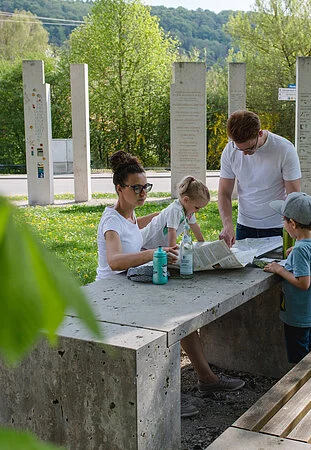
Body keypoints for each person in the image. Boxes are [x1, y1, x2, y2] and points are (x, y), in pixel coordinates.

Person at [96, 151, 244, 418]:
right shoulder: (111, 220)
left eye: (145, 187)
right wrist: (152, 254)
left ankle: (206, 379)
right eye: (136, 188)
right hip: (114, 292)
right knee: (166, 324)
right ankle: (166, 399)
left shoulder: (128, 215)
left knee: (183, 315)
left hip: (132, 282)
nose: (142, 192)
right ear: (120, 189)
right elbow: (115, 261)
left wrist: (153, 218)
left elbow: (131, 230)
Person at [263, 192, 311, 363]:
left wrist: (279, 269)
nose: (283, 224)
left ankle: (304, 389)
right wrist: (298, 252)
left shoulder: (302, 248)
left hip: (298, 316)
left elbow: (303, 283)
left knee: (299, 363)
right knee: (308, 356)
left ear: (292, 223)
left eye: (284, 220)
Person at [218, 110, 301, 247]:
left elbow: (294, 196)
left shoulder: (284, 149)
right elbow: (224, 193)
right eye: (240, 149)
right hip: (244, 226)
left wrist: (297, 233)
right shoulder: (230, 151)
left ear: (260, 133)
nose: (245, 154)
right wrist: (227, 225)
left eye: (250, 148)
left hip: (278, 227)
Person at [141, 176, 208, 249]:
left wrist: (203, 244)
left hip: (159, 246)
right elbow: (171, 231)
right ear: (186, 200)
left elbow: (195, 227)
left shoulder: (189, 210)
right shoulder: (175, 210)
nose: (197, 210)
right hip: (145, 244)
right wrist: (172, 250)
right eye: (197, 207)